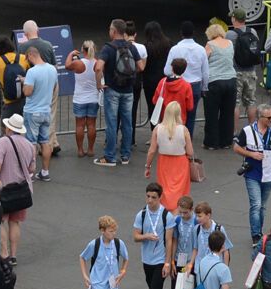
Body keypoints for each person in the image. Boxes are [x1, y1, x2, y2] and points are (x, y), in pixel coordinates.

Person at [233, 102, 271, 243]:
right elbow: (236, 147)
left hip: (269, 175)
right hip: (252, 174)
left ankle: (258, 230)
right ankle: (256, 235)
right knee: (256, 204)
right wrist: (251, 154)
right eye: (269, 117)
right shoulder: (247, 130)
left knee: (263, 206)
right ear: (260, 117)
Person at [0, 117, 34, 261]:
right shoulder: (29, 145)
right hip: (22, 190)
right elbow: (32, 168)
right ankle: (13, 255)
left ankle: (4, 253)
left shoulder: (2, 142)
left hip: (4, 189)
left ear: (8, 128)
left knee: (2, 221)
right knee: (15, 222)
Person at [100, 19, 144, 167]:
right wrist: (129, 74)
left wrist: (99, 84)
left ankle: (110, 157)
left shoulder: (108, 48)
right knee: (127, 123)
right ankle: (125, 156)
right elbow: (140, 66)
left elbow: (99, 66)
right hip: (128, 90)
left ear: (113, 31)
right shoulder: (131, 47)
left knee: (112, 123)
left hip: (112, 89)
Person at [132, 181, 172, 289]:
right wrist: (146, 236)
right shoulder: (141, 214)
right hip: (146, 260)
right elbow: (135, 236)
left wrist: (167, 262)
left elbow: (169, 241)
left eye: (153, 197)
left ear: (160, 198)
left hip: (160, 261)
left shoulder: (166, 216)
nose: (149, 200)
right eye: (148, 196)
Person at [147, 99, 196, 211]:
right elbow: (190, 151)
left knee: (164, 188)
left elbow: (151, 151)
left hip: (164, 162)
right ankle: (178, 211)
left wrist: (148, 166)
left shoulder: (157, 129)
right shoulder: (183, 130)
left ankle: (165, 213)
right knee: (180, 190)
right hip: (180, 163)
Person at [21, 43, 60, 179]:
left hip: (32, 112)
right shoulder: (52, 70)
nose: (28, 62)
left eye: (27, 58)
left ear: (31, 55)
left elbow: (28, 92)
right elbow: (53, 86)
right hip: (46, 111)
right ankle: (45, 172)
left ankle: (30, 173)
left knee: (31, 142)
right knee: (45, 142)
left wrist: (24, 83)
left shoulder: (32, 72)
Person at [200, 22, 238, 152]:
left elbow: (203, 61)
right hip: (231, 80)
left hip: (215, 81)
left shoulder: (210, 45)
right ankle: (226, 141)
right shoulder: (230, 43)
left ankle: (211, 142)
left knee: (211, 113)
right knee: (227, 113)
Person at [68, 39, 102, 159]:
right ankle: (91, 149)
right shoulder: (97, 63)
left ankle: (80, 150)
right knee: (92, 125)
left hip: (79, 99)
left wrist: (70, 54)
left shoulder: (78, 63)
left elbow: (67, 65)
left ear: (83, 49)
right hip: (93, 98)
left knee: (80, 126)